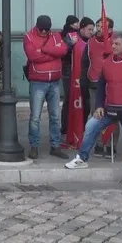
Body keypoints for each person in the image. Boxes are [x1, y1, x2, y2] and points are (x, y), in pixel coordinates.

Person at [65, 33, 122, 188]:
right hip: (108, 107)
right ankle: (81, 158)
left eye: (117, 44)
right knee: (90, 127)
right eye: (113, 44)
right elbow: (100, 87)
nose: (113, 46)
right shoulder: (107, 62)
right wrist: (98, 105)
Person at [23, 15, 70, 160]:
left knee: (55, 117)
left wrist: (44, 50)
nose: (44, 32)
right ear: (37, 26)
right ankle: (34, 147)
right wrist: (53, 53)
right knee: (35, 117)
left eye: (46, 29)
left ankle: (55, 146)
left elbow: (63, 50)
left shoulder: (55, 36)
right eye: (41, 29)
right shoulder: (29, 37)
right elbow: (32, 57)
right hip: (38, 82)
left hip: (54, 81)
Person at [81, 17, 116, 156]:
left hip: (113, 83)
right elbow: (84, 62)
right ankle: (99, 144)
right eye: (97, 26)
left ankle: (110, 145)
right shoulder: (90, 42)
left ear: (111, 29)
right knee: (96, 114)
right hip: (94, 82)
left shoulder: (116, 41)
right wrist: (83, 79)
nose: (99, 29)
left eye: (103, 27)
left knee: (113, 114)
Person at [61, 17, 95, 148]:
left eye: (93, 29)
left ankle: (83, 129)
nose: (91, 32)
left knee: (86, 103)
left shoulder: (92, 41)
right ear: (81, 28)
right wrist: (70, 44)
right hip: (69, 74)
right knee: (70, 101)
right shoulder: (71, 37)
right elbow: (62, 52)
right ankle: (66, 129)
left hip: (86, 77)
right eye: (89, 29)